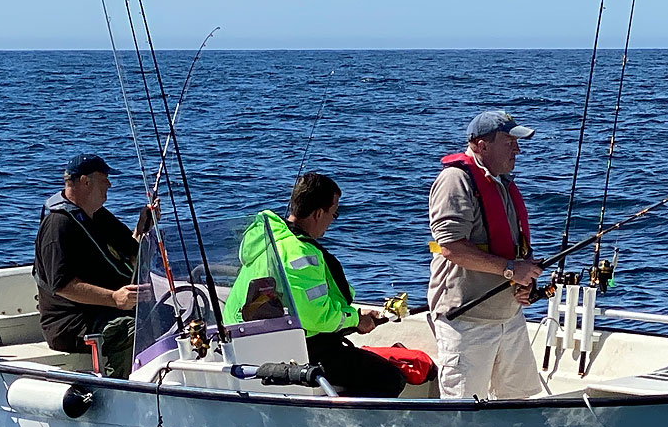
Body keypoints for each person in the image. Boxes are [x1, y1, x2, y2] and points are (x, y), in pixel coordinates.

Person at [223, 172, 406, 398]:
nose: (332, 221)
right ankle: (338, 425)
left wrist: (355, 315)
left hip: (252, 343)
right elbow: (313, 316)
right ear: (319, 213)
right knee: (391, 379)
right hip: (297, 350)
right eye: (333, 214)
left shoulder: (267, 239)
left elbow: (302, 304)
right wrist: (356, 320)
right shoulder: (300, 253)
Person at [428, 110, 544, 400]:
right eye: (509, 142)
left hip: (510, 319)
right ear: (481, 146)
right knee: (463, 412)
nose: (517, 149)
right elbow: (451, 247)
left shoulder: (502, 182)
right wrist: (509, 269)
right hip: (467, 321)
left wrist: (526, 283)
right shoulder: (456, 180)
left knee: (519, 407)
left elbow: (513, 251)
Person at [33, 153, 155, 378]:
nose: (109, 184)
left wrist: (141, 230)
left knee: (172, 316)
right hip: (72, 323)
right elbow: (62, 285)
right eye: (104, 179)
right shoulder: (57, 225)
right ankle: (125, 388)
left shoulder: (98, 216)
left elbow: (131, 254)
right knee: (132, 331)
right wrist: (114, 298)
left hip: (110, 309)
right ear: (85, 182)